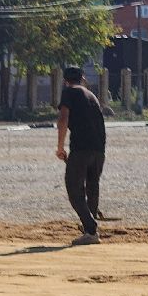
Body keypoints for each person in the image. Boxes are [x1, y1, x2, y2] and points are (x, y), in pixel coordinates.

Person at [56, 66, 106, 245]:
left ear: (65, 81)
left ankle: (91, 227)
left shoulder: (69, 92)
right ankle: (90, 230)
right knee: (92, 186)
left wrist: (60, 147)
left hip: (81, 148)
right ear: (83, 78)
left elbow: (63, 118)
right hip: (99, 148)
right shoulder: (92, 96)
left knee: (74, 188)